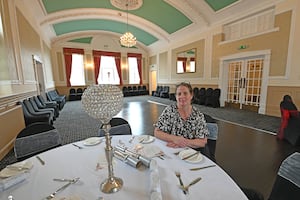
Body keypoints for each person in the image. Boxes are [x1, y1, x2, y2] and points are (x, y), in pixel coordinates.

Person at [154, 82, 209, 152]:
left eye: (185, 93)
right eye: (179, 94)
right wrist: (174, 138)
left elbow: (203, 141)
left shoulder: (198, 115)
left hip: (191, 153)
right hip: (172, 150)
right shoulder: (169, 111)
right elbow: (157, 132)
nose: (182, 96)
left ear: (191, 95)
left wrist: (183, 142)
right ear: (176, 97)